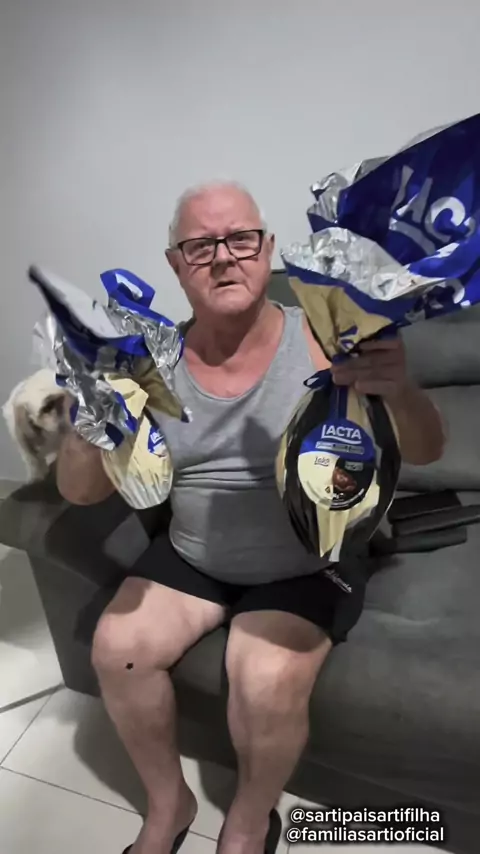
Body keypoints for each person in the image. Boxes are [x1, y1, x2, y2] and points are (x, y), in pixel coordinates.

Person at [56, 181, 445, 854]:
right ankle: (167, 805)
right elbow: (80, 492)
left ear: (266, 250)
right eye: (200, 245)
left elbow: (430, 450)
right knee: (117, 649)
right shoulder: (149, 360)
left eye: (239, 239)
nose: (222, 257)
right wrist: (91, 416)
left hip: (307, 558)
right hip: (194, 552)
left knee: (263, 680)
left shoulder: (330, 339)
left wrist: (399, 391)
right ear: (176, 265)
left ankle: (247, 820)